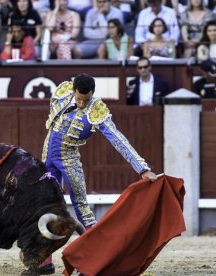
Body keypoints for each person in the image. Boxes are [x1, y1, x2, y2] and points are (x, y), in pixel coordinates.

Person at [39, 73, 158, 275]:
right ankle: (44, 260)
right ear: (73, 90)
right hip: (47, 156)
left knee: (82, 208)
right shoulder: (63, 91)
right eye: (78, 98)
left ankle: (99, 257)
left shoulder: (97, 110)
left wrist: (142, 168)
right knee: (44, 205)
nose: (82, 103)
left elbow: (118, 140)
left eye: (86, 100)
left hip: (68, 159)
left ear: (93, 94)